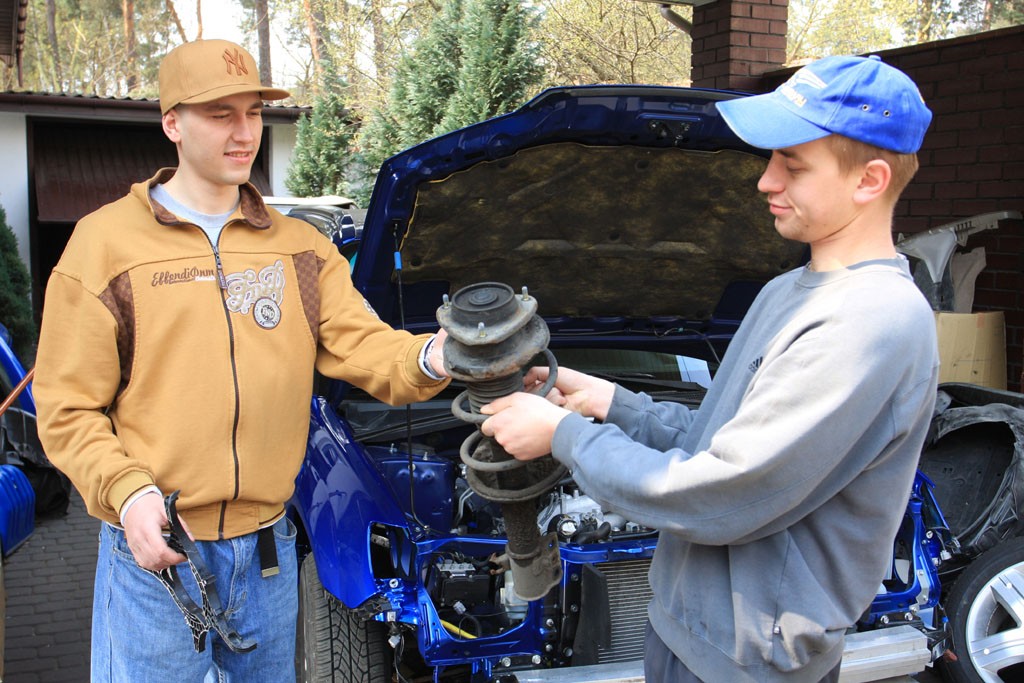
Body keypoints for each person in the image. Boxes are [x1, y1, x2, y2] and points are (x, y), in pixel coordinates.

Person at [478, 55, 938, 682]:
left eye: (792, 165)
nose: (764, 182)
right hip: (684, 628)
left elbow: (722, 493)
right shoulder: (789, 290)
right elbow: (717, 439)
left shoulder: (873, 320)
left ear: (869, 180)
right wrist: (610, 401)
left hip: (748, 663)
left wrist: (563, 435)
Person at [32, 39, 450, 682]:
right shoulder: (104, 245)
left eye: (253, 112)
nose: (244, 132)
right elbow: (66, 409)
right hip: (158, 555)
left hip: (269, 555)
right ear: (172, 123)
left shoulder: (299, 250)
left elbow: (370, 350)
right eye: (219, 113)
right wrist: (128, 494)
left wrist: (441, 352)